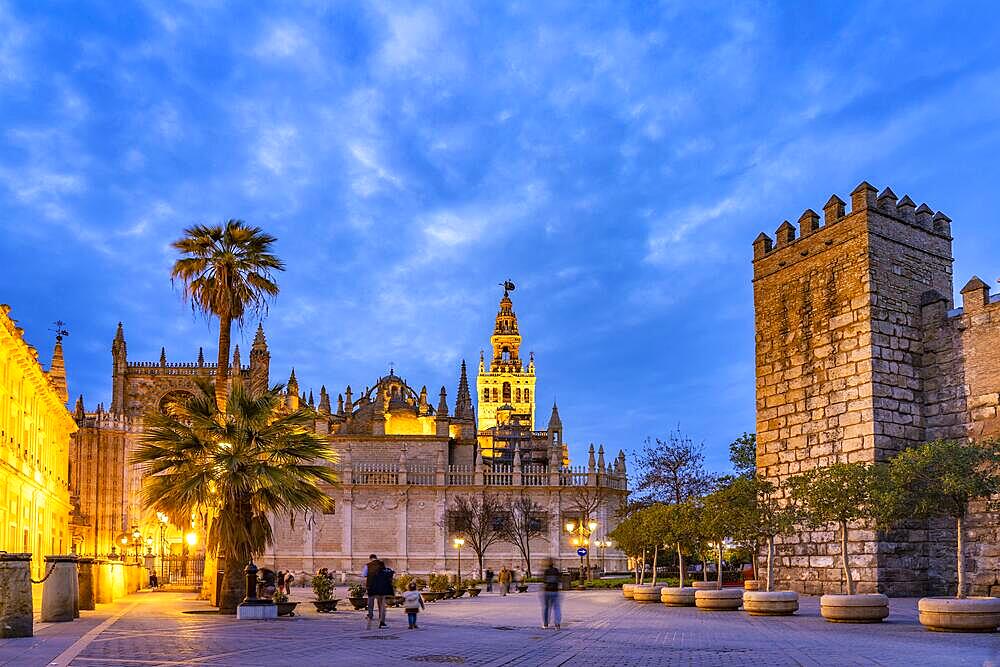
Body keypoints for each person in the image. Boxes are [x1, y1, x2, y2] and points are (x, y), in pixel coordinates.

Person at [363, 554, 394, 628]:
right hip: (381, 588)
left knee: (370, 603)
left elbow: (364, 574)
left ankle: (370, 615)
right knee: (382, 605)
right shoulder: (382, 564)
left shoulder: (368, 565)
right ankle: (382, 621)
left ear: (370, 559)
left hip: (371, 587)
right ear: (376, 558)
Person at [541, 559, 561, 629]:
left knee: (546, 608)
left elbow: (544, 581)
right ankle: (557, 624)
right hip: (555, 591)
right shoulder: (556, 571)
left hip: (547, 592)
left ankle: (545, 624)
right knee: (556, 608)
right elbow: (559, 580)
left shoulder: (546, 571)